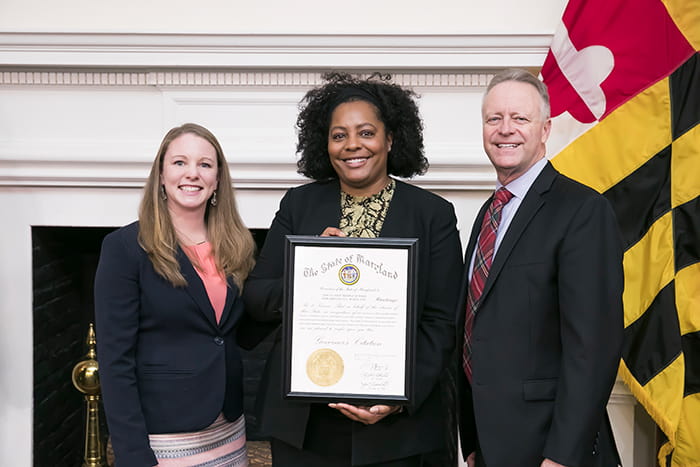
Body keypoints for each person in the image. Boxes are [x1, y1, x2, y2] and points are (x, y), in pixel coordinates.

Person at [242, 72, 463, 466]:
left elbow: (441, 322)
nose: (352, 145)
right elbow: (258, 298)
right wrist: (311, 269)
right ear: (324, 143)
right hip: (305, 425)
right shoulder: (299, 206)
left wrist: (399, 396)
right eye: (339, 135)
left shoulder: (433, 215)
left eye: (366, 132)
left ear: (390, 139)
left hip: (398, 430)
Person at [456, 68, 624, 467]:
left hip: (548, 449)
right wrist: (472, 442)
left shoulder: (582, 210)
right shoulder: (489, 214)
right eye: (494, 119)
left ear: (545, 129)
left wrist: (562, 456)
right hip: (491, 443)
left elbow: (593, 348)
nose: (505, 129)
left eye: (520, 118)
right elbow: (475, 327)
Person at [94, 123, 256, 467]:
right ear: (162, 175)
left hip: (228, 429)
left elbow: (241, 328)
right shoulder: (124, 248)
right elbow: (114, 361)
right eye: (180, 162)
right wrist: (133, 456)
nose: (192, 174)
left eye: (205, 164)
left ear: (217, 180)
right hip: (165, 438)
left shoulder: (237, 246)